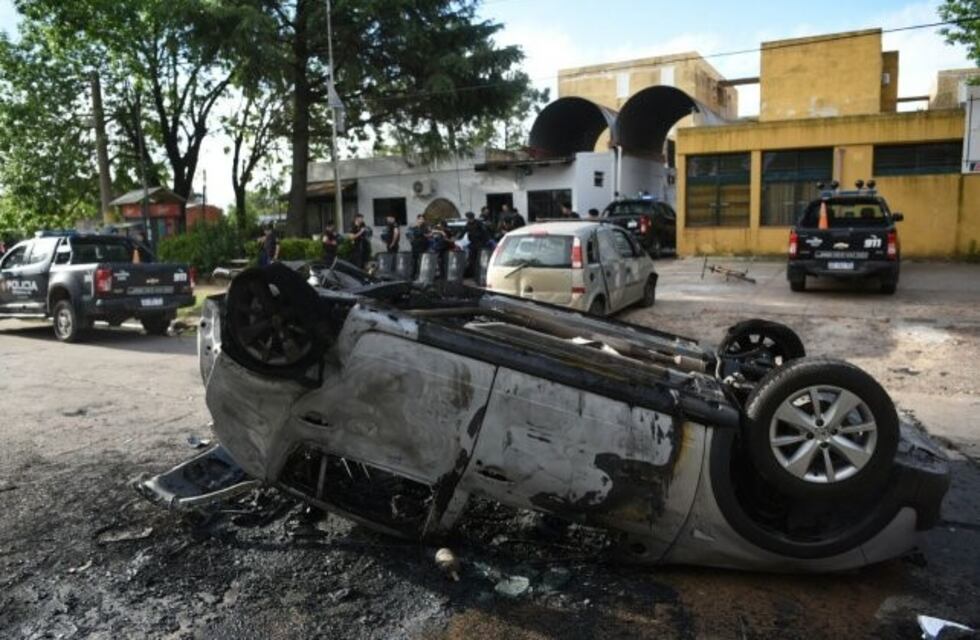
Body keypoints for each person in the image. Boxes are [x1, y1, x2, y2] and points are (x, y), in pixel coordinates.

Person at [464, 211, 490, 279]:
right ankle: (473, 275)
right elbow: (463, 232)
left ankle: (480, 275)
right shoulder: (467, 224)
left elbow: (485, 232)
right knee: (472, 260)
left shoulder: (478, 223)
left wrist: (484, 242)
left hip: (480, 244)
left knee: (480, 260)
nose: (468, 219)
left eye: (468, 217)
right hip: (473, 244)